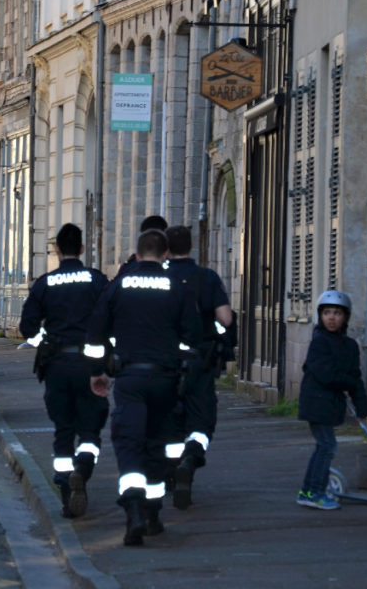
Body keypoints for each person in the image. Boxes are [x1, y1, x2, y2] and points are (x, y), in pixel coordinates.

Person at [85, 229, 202, 546]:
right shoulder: (177, 287)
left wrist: (98, 372)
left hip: (130, 379)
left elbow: (95, 335)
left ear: (137, 255)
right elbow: (193, 338)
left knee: (129, 444)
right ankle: (152, 515)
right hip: (165, 379)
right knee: (157, 446)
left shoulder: (118, 286)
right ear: (165, 255)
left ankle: (134, 512)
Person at [18, 223, 111, 518]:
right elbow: (112, 321)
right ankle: (82, 471)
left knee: (63, 430)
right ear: (82, 249)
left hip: (57, 365)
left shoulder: (46, 283)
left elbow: (27, 328)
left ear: (57, 249)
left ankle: (65, 487)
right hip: (90, 366)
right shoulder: (97, 281)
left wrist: (43, 342)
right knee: (90, 430)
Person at [162, 225, 234, 510]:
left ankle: (171, 469)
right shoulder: (206, 277)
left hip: (165, 363)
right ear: (191, 247)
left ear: (166, 248)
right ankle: (190, 459)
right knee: (201, 423)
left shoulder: (160, 277)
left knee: (169, 423)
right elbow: (226, 319)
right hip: (199, 362)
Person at [296, 289, 367, 510]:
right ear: (320, 315)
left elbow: (355, 379)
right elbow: (326, 375)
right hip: (316, 402)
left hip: (330, 405)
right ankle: (314, 493)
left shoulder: (350, 346)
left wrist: (362, 408)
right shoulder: (319, 343)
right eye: (327, 312)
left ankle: (307, 492)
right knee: (327, 446)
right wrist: (347, 382)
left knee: (324, 446)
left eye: (337, 313)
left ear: (345, 317)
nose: (331, 317)